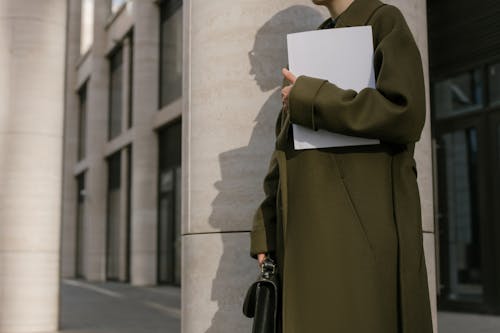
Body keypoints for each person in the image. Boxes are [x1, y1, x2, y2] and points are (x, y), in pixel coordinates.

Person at [249, 0, 434, 332]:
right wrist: (267, 226)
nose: (252, 66)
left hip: (361, 232)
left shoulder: (383, 20)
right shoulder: (318, 40)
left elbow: (405, 112)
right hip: (307, 231)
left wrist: (311, 97)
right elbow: (285, 149)